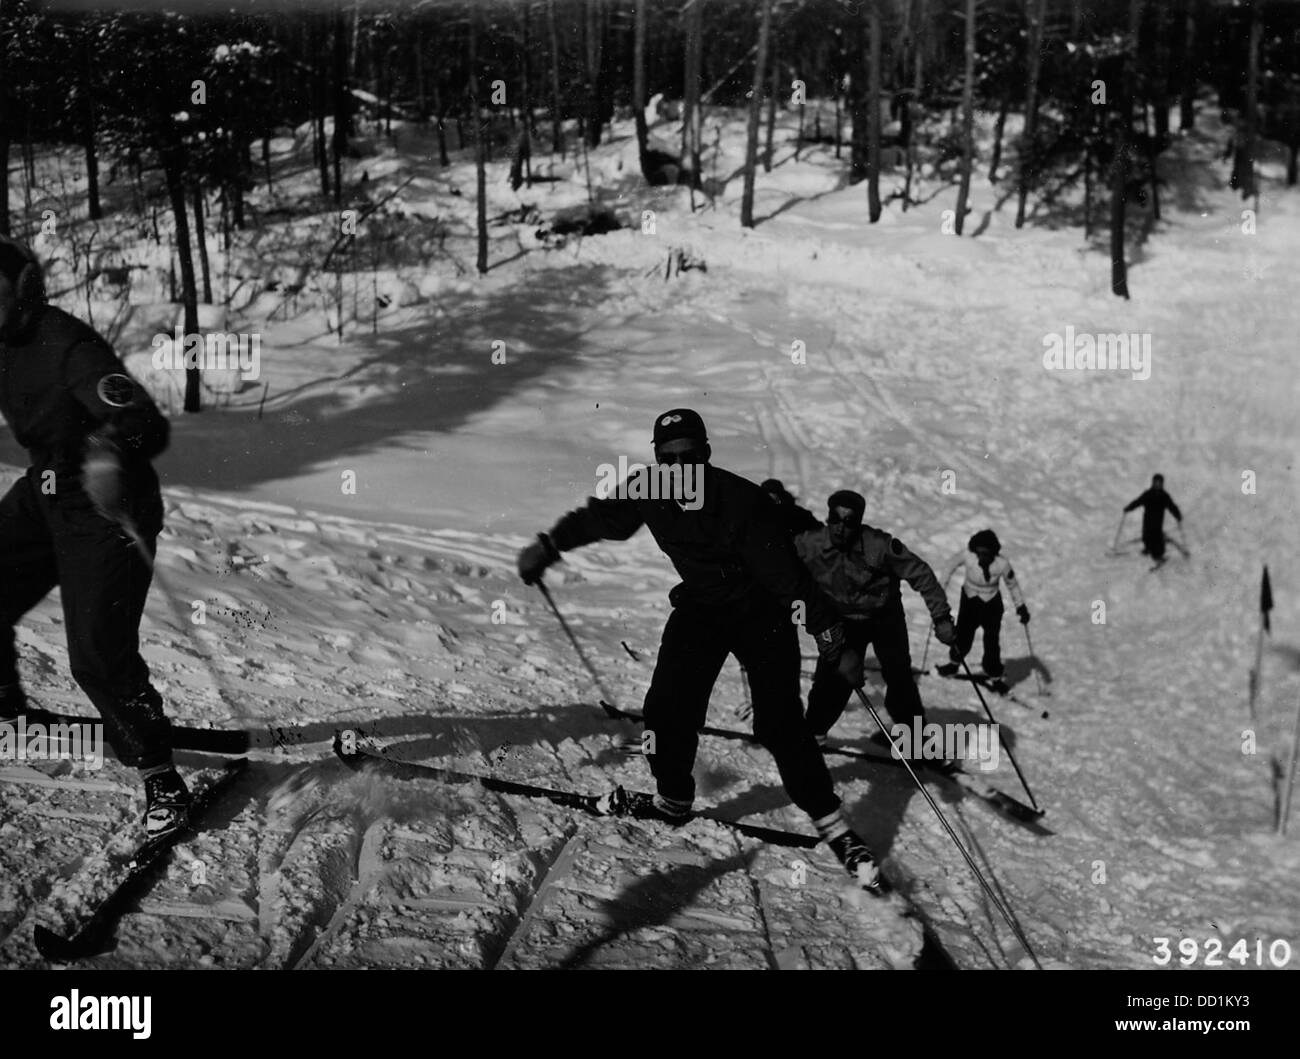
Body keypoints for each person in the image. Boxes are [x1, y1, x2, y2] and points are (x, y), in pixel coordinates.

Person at [516, 409, 882, 889]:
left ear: (706, 455)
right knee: (666, 710)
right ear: (657, 460)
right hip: (703, 611)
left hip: (763, 614)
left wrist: (833, 639)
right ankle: (673, 799)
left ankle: (835, 827)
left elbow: (787, 580)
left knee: (779, 724)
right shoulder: (649, 488)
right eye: (667, 458)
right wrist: (550, 543)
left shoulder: (742, 502)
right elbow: (603, 518)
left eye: (689, 457)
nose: (678, 468)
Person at [0, 236, 187, 838]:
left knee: (97, 653)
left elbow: (144, 424)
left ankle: (161, 776)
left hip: (107, 503)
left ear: (22, 290)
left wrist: (110, 451)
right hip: (46, 488)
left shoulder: (65, 343)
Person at [794, 490, 956, 750]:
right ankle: (813, 734)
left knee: (899, 678)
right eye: (835, 519)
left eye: (849, 522)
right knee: (831, 681)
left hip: (884, 617)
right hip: (842, 620)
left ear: (858, 523)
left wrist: (941, 617)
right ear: (827, 518)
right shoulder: (810, 544)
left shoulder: (879, 545)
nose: (841, 528)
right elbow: (778, 564)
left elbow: (921, 573)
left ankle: (916, 741)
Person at [936, 530, 1029, 694]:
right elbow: (949, 566)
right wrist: (940, 590)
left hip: (992, 604)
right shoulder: (968, 556)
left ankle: (995, 676)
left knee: (991, 642)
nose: (982, 557)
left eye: (986, 553)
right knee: (963, 635)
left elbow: (1012, 585)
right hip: (970, 601)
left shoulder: (1002, 564)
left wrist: (1020, 606)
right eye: (979, 552)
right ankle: (954, 664)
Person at [1123, 474, 1183, 563]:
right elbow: (1138, 501)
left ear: (1162, 484)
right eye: (1156, 483)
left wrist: (1177, 514)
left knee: (1157, 538)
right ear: (1153, 483)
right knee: (1146, 536)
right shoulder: (1148, 494)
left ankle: (1158, 555)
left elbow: (1172, 506)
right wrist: (1129, 508)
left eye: (1159, 483)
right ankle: (1148, 548)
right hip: (1147, 520)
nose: (1157, 485)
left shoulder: (1164, 496)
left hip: (1158, 521)